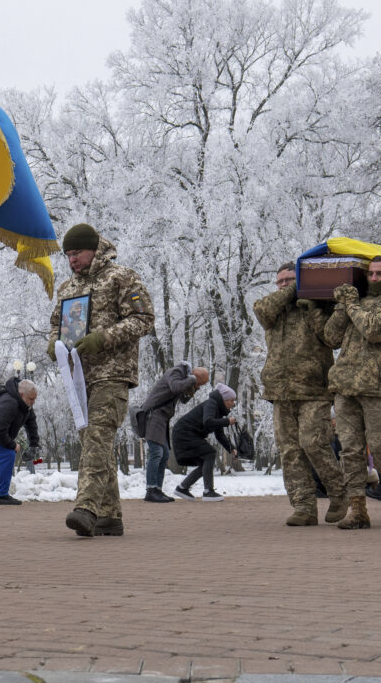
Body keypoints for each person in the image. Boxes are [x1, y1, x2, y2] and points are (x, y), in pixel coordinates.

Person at [47, 223, 155, 537]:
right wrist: (54, 344)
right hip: (79, 378)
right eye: (67, 254)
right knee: (93, 441)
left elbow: (143, 318)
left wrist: (102, 339)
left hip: (113, 372)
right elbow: (57, 324)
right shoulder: (67, 288)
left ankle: (87, 507)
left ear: (95, 248)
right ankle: (110, 515)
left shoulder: (121, 277)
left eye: (77, 252)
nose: (72, 259)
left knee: (97, 436)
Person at [253, 261, 346, 526]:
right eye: (280, 281)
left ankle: (339, 493)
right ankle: (304, 506)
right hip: (280, 389)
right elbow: (262, 311)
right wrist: (293, 289)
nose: (284, 285)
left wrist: (311, 304)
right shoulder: (273, 309)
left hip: (314, 387)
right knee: (289, 450)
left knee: (312, 442)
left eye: (290, 280)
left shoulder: (317, 305)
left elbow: (332, 338)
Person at [325, 256, 381, 529]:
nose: (374, 278)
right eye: (371, 274)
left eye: (380, 274)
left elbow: (374, 330)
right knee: (350, 450)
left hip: (377, 386)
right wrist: (342, 305)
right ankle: (358, 509)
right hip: (345, 385)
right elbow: (330, 337)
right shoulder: (355, 304)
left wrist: (351, 304)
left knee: (380, 446)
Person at [131, 362, 209, 502]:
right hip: (153, 415)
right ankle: (151, 490)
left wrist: (193, 389)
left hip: (162, 418)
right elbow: (175, 387)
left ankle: (158, 490)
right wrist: (192, 380)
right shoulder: (176, 372)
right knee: (156, 452)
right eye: (200, 383)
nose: (199, 386)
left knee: (164, 453)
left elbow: (183, 399)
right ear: (196, 376)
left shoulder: (184, 377)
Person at [171, 384, 238, 500]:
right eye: (231, 400)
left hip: (187, 434)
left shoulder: (217, 410)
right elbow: (208, 422)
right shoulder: (211, 404)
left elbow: (219, 435)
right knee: (210, 453)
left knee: (205, 463)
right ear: (224, 399)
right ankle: (208, 492)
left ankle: (182, 488)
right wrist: (227, 421)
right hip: (184, 433)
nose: (233, 403)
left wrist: (231, 448)